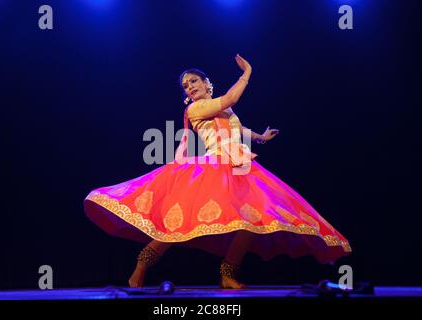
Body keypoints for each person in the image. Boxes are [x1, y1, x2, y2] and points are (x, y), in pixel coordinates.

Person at [84, 54, 352, 289]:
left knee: (253, 220)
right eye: (186, 86)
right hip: (213, 167)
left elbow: (237, 128)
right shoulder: (196, 107)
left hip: (239, 165)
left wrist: (260, 137)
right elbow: (231, 98)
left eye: (193, 81)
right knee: (177, 224)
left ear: (206, 83)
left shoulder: (220, 107)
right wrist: (247, 73)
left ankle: (228, 272)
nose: (189, 87)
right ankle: (140, 268)